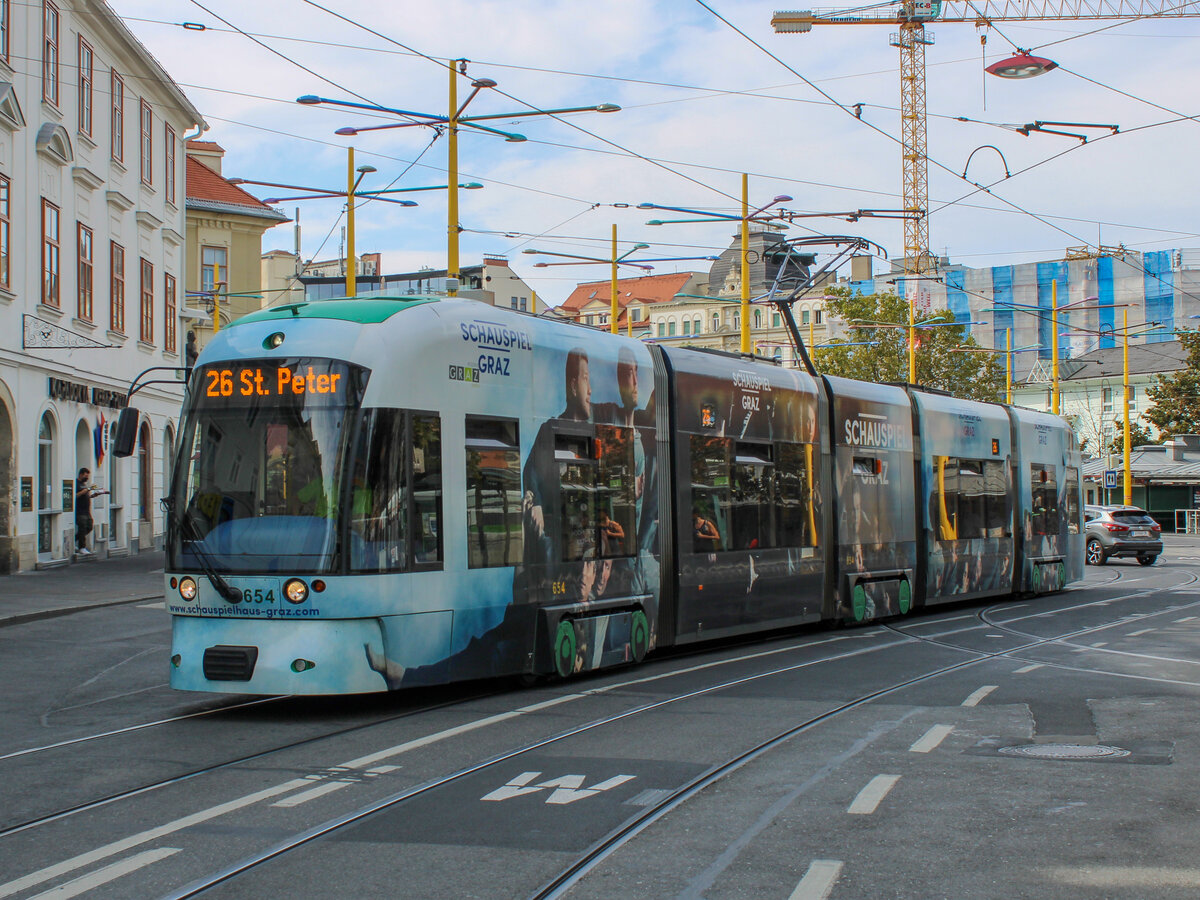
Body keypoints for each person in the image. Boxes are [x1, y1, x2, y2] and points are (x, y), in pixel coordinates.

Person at [74, 468, 106, 556]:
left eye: (88, 476)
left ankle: (74, 540)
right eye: (85, 475)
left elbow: (86, 495)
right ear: (80, 474)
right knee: (82, 527)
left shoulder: (84, 484)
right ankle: (82, 547)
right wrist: (88, 489)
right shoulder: (76, 484)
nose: (87, 477)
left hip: (87, 511)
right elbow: (76, 495)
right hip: (80, 511)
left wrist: (94, 495)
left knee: (89, 527)